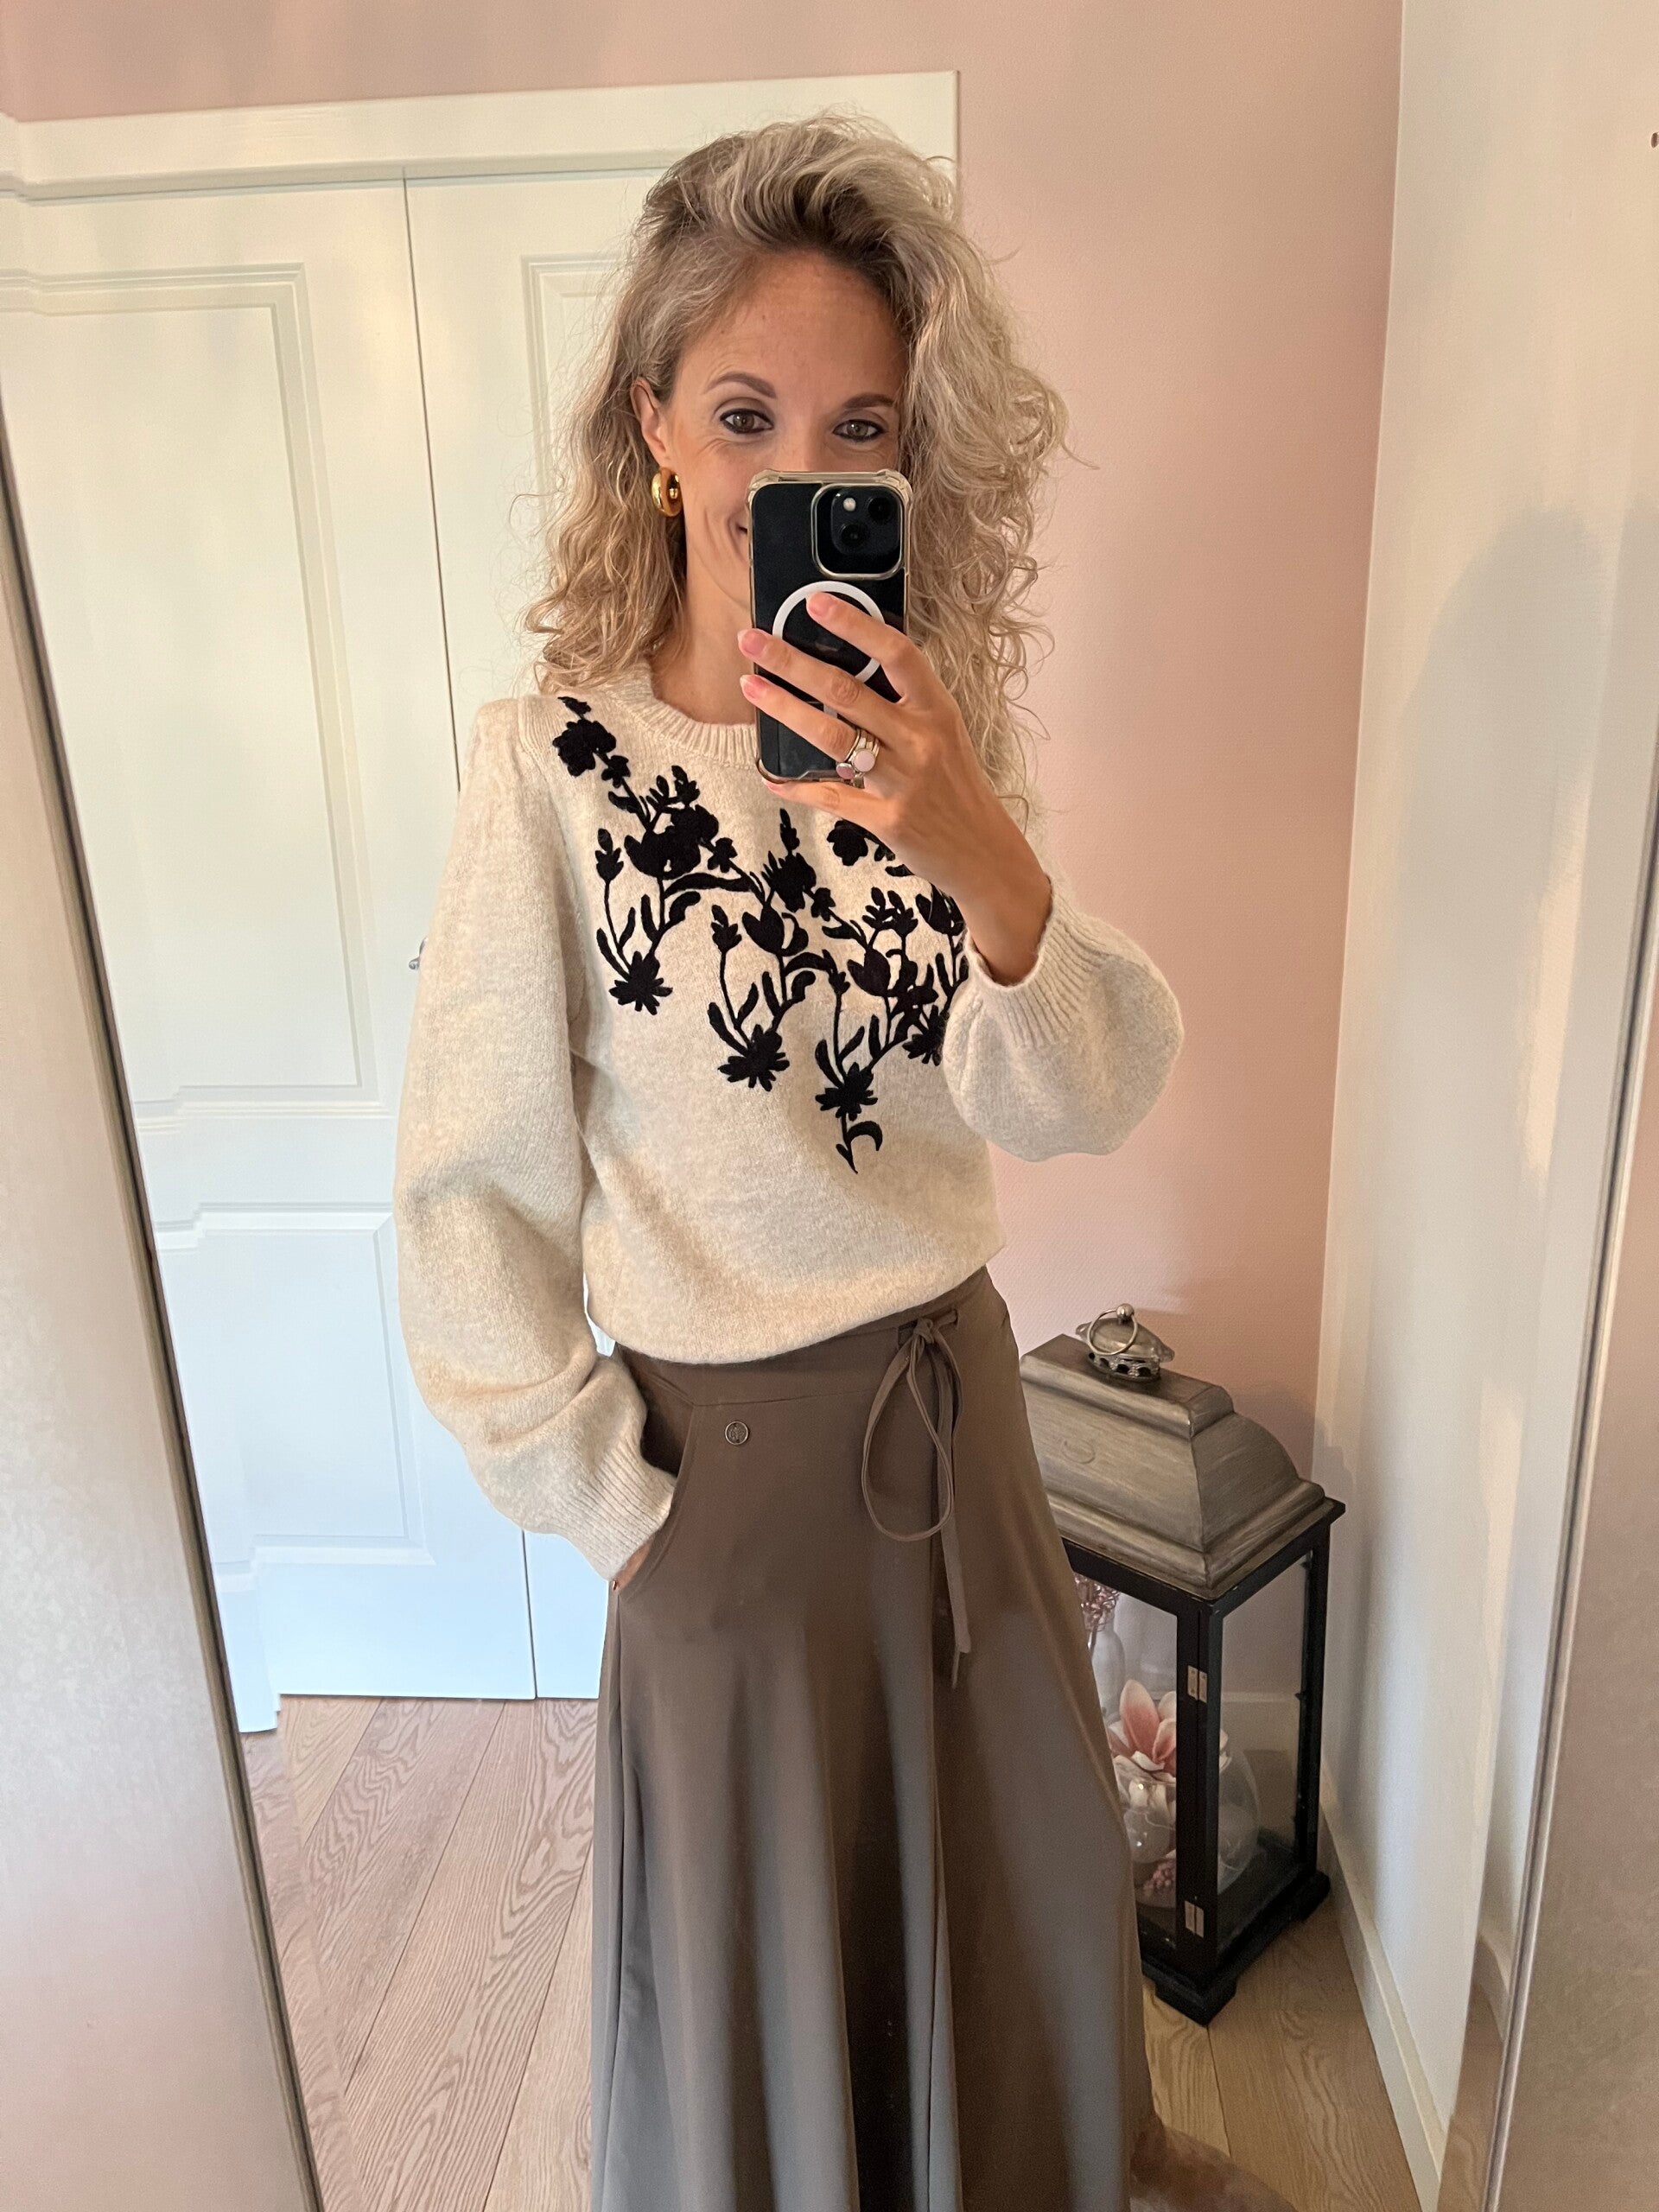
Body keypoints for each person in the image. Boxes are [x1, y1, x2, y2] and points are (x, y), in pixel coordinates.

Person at [393, 110, 1294, 2212]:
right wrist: (612, 1503)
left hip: (961, 1440)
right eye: (744, 412)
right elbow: (469, 1196)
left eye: (858, 426)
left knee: (1014, 1913)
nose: (794, 464)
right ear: (653, 431)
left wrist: (975, 840)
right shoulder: (551, 765)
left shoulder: (930, 741)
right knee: (767, 1995)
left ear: (904, 464)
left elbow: (1081, 1091)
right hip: (717, 1498)